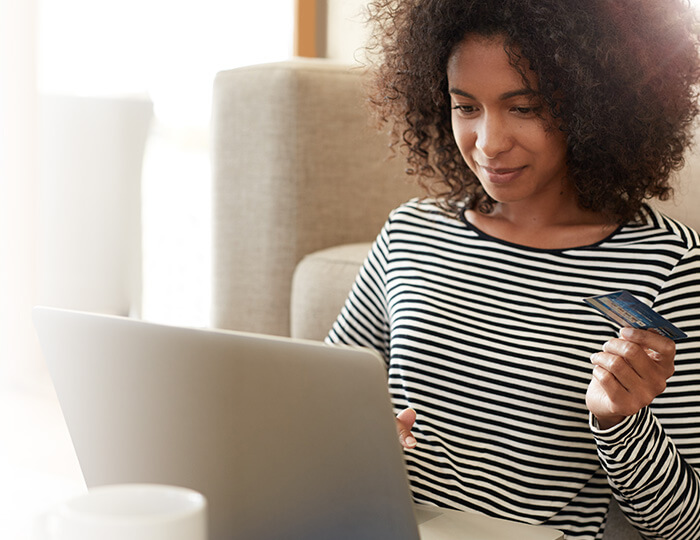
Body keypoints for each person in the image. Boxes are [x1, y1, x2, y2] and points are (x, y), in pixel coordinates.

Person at [325, 1, 700, 539]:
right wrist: (356, 437)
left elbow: (683, 528)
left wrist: (621, 424)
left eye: (523, 108)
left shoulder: (669, 263)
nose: (488, 142)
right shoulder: (411, 232)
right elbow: (322, 398)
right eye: (465, 107)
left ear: (599, 105)